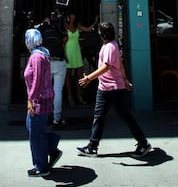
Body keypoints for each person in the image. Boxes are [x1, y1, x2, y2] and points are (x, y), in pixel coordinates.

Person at [76, 21, 152, 158]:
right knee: (99, 117)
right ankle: (92, 146)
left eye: (99, 31)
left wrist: (89, 78)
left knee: (124, 116)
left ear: (102, 34)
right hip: (105, 87)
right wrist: (125, 80)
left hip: (113, 88)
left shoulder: (110, 47)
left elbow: (106, 67)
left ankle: (143, 143)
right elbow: (120, 64)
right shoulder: (110, 45)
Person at [24, 28, 63, 177]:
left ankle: (42, 166)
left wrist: (31, 99)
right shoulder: (41, 54)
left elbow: (37, 80)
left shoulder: (37, 57)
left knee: (35, 133)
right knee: (33, 128)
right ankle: (51, 147)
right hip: (43, 98)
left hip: (39, 100)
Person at [38, 11, 68, 128]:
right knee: (58, 91)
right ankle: (57, 118)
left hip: (46, 62)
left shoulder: (42, 29)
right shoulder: (59, 28)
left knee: (45, 90)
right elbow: (65, 38)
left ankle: (44, 115)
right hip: (59, 61)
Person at [65, 11, 99, 106]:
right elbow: (63, 42)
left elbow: (88, 29)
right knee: (68, 75)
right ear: (67, 17)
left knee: (79, 76)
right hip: (68, 51)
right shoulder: (64, 26)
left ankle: (79, 95)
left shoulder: (77, 26)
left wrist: (95, 22)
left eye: (73, 17)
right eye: (70, 17)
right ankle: (70, 96)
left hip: (76, 52)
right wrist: (64, 55)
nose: (72, 18)